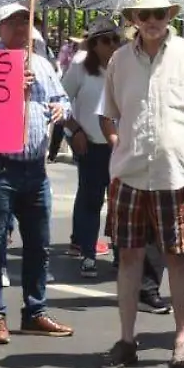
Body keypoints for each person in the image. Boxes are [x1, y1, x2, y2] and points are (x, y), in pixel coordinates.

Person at [97, 0, 184, 368]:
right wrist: (119, 144)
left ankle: (182, 339)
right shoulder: (119, 60)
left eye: (159, 14)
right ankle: (127, 338)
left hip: (175, 174)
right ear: (133, 19)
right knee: (129, 257)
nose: (151, 21)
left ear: (171, 15)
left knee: (177, 258)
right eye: (143, 14)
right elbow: (108, 112)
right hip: (130, 173)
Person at [0, 3, 72, 344]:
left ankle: (35, 311)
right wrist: (9, 87)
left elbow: (62, 99)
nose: (20, 30)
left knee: (39, 245)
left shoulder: (43, 64)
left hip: (35, 169)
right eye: (13, 24)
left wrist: (62, 109)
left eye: (25, 23)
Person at [62, 17, 124, 276]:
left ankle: (122, 253)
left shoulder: (126, 66)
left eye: (115, 40)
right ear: (94, 44)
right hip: (90, 143)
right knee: (91, 199)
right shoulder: (79, 67)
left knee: (120, 203)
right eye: (106, 41)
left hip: (121, 145)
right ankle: (87, 253)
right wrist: (73, 130)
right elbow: (60, 100)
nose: (112, 46)